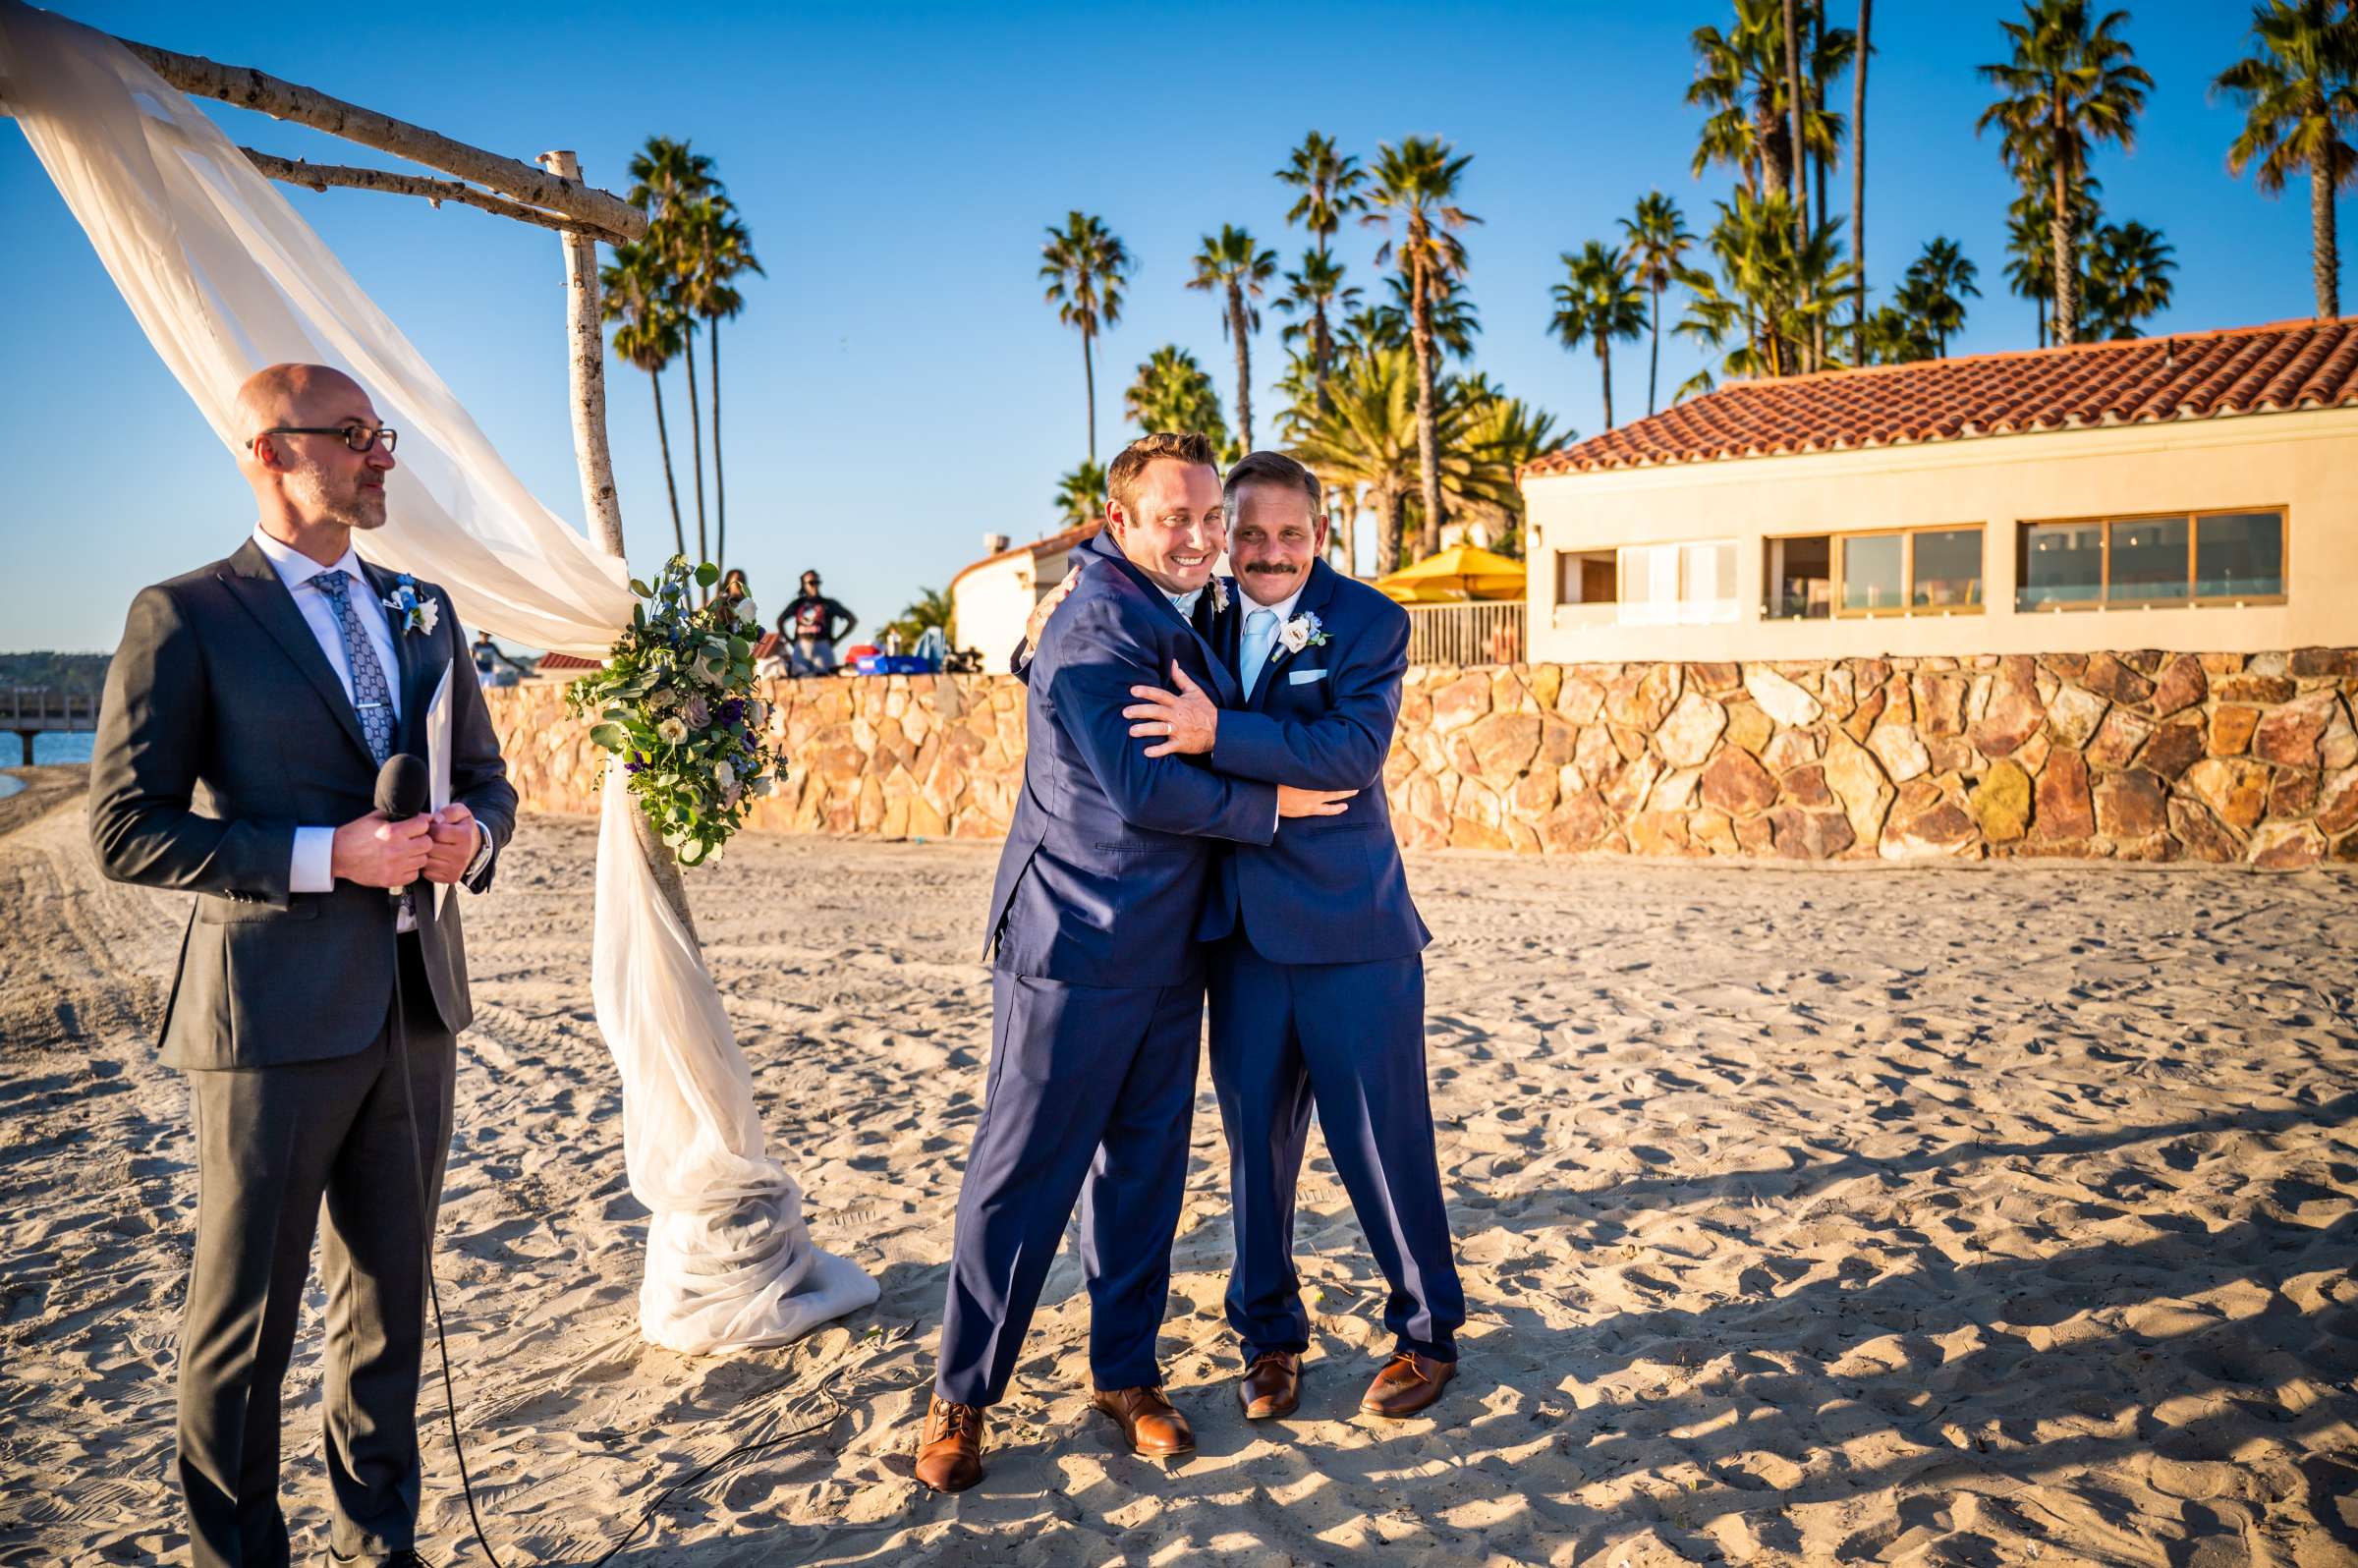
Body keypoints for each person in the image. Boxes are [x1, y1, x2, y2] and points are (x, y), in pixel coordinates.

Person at [87, 363, 517, 1568]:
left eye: (383, 435)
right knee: (247, 1323)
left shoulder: (424, 606)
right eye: (357, 436)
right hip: (268, 1018)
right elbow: (128, 828)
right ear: (270, 453)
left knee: (387, 1305)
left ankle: (378, 1544)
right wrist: (338, 853)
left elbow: (488, 780)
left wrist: (466, 836)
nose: (384, 457)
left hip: (417, 1005)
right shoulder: (186, 615)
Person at [915, 432, 1355, 1493]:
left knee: (1147, 1170)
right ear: (1119, 522)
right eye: (1178, 518)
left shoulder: (1186, 607)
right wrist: (1276, 801)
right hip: (1074, 941)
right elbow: (1144, 791)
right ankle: (962, 1396)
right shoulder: (1091, 628)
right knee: (1022, 1177)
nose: (1203, 537)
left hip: (1173, 946)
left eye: (1212, 515)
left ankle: (1124, 1372)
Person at [1120, 451, 1464, 1423]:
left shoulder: (1369, 621)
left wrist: (1215, 734)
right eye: (1252, 534)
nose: (1270, 552)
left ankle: (1428, 1335)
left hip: (1353, 931)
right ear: (1226, 533)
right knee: (1254, 1155)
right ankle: (1268, 1339)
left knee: (1383, 1146)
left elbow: (1350, 752)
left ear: (1321, 535)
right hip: (1240, 937)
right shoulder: (1199, 616)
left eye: (1291, 534)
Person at [775, 569, 856, 675]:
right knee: (798, 678)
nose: (815, 586)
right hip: (802, 646)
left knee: (825, 678)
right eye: (811, 583)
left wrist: (836, 640)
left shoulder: (828, 603)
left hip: (822, 645)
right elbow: (780, 621)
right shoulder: (798, 604)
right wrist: (791, 641)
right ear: (804, 585)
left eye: (817, 582)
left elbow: (852, 620)